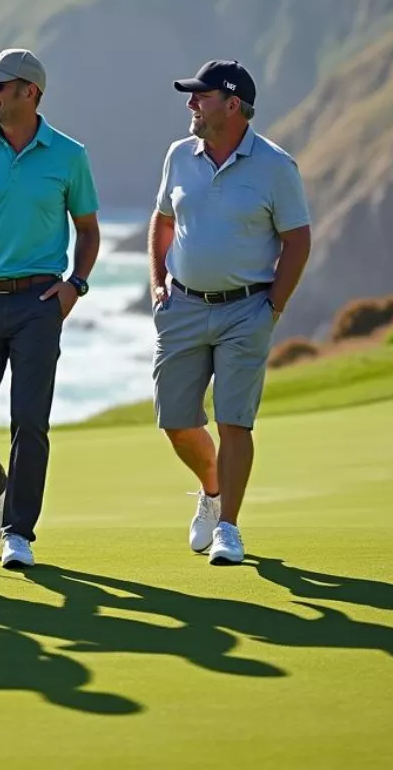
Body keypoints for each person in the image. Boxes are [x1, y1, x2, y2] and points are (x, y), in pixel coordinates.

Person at [148, 59, 311, 566]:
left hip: (247, 310)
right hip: (184, 307)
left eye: (201, 96)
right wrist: (158, 285)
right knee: (175, 419)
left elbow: (298, 240)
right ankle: (212, 488)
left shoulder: (276, 166)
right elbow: (162, 219)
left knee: (234, 421)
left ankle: (229, 528)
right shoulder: (180, 155)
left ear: (232, 104)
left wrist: (273, 308)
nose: (191, 104)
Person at [0, 48, 100, 570]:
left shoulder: (69, 155)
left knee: (30, 421)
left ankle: (19, 531)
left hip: (38, 303)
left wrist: (75, 284)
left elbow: (89, 230)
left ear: (29, 92)